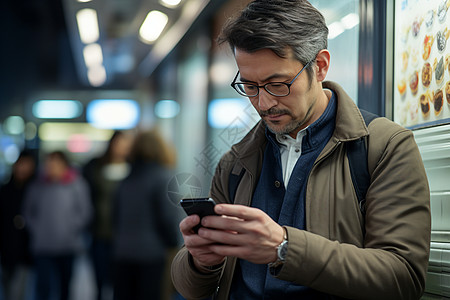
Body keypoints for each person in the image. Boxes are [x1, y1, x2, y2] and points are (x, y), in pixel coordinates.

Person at [171, 1, 431, 299]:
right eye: (250, 86)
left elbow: (403, 278)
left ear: (319, 66)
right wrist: (201, 263)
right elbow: (193, 289)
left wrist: (284, 247)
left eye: (277, 84)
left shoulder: (384, 147)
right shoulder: (236, 162)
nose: (263, 104)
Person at [112, 128, 180, 300]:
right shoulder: (163, 177)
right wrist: (174, 243)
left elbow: (115, 216)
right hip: (151, 254)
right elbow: (168, 218)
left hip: (123, 253)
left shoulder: (127, 178)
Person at [23, 151, 92, 300]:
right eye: (49, 163)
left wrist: (71, 227)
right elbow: (28, 212)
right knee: (43, 288)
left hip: (68, 245)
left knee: (65, 288)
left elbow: (85, 211)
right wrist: (37, 229)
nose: (52, 166)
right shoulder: (37, 185)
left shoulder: (77, 184)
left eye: (56, 163)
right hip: (43, 246)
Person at [82, 131, 134, 300]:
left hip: (124, 233)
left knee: (119, 280)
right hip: (99, 230)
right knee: (99, 277)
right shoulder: (95, 166)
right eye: (119, 143)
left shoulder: (134, 168)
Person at [0, 150, 37, 300]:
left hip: (27, 249)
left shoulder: (36, 190)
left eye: (27, 165)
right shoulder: (5, 189)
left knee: (19, 290)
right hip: (6, 246)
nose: (23, 168)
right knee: (7, 287)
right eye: (21, 164)